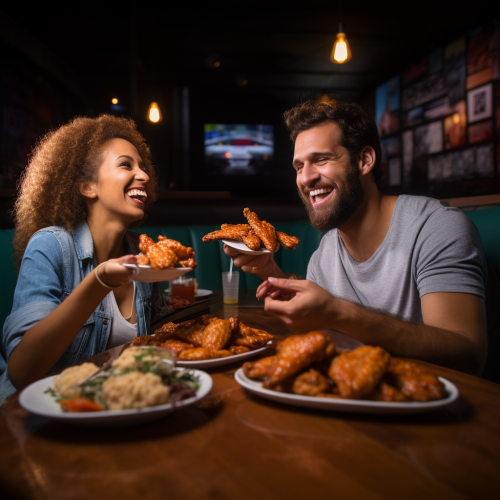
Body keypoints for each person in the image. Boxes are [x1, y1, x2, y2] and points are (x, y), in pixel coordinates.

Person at [225, 99, 491, 376]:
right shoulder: (326, 250)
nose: (305, 178)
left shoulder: (436, 227)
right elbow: (320, 328)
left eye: (321, 159)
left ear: (365, 160)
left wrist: (339, 312)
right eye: (298, 166)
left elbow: (468, 354)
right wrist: (271, 273)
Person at [0, 115, 171, 403]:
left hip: (112, 412)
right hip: (33, 422)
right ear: (87, 186)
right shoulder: (51, 246)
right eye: (126, 165)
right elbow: (22, 372)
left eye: (143, 167)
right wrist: (99, 280)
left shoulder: (141, 258)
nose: (143, 175)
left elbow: (156, 345)